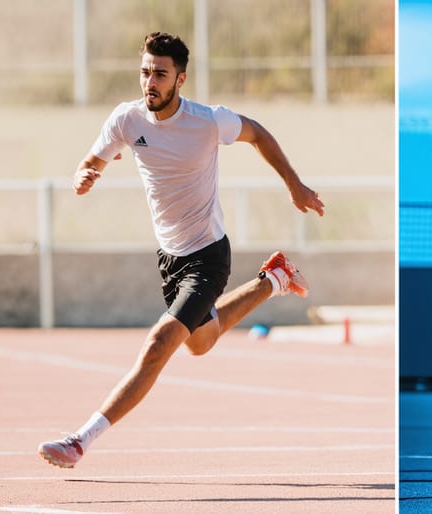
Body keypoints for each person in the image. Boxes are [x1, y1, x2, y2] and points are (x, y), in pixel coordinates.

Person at [38, 32, 325, 468]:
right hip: (169, 258)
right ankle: (275, 280)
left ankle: (80, 440)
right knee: (200, 342)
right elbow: (93, 160)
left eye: (160, 74)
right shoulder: (126, 120)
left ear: (180, 79)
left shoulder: (208, 121)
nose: (149, 82)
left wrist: (295, 185)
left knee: (161, 341)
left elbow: (259, 134)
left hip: (209, 255)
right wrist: (86, 175)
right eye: (145, 72)